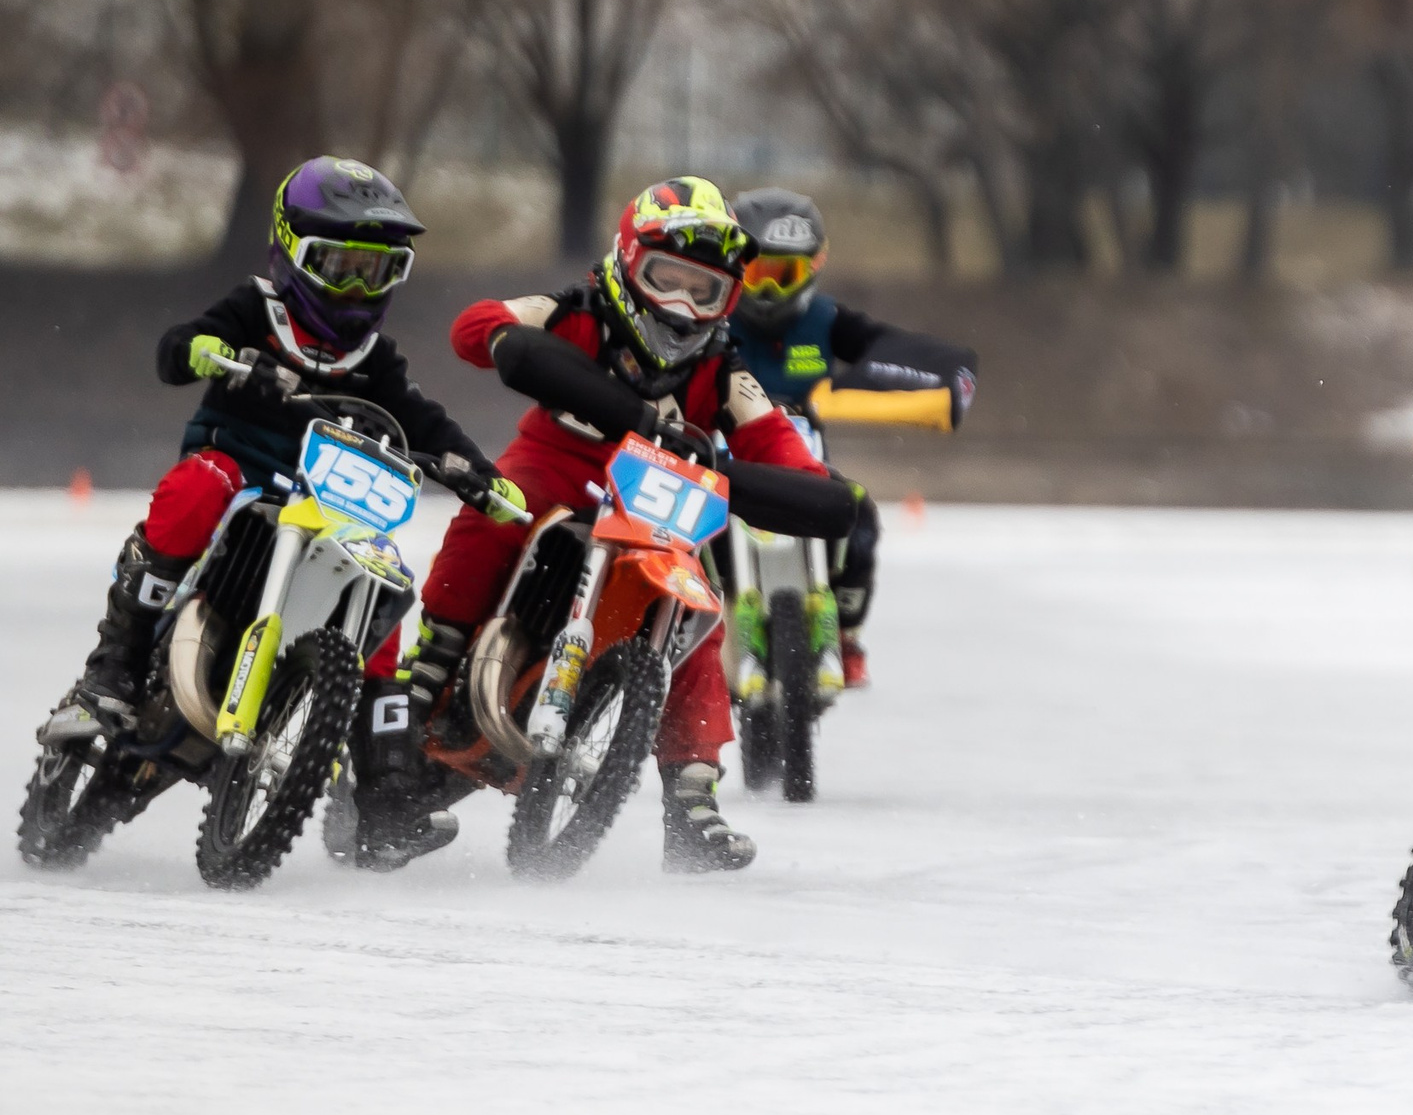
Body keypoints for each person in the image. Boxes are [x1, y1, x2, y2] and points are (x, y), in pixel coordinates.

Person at [365, 177, 857, 871]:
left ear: (728, 300)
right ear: (628, 262)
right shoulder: (578, 309)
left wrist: (786, 483)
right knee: (500, 509)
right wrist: (530, 349)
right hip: (558, 465)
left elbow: (783, 448)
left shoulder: (724, 368)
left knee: (694, 609)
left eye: (705, 291)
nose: (683, 305)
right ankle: (432, 663)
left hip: (659, 501)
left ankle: (691, 797)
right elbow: (476, 327)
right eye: (668, 280)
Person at [41, 159, 520, 849]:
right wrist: (208, 351)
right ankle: (112, 670)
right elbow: (175, 349)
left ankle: (382, 793)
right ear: (291, 250)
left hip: (326, 501)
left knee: (380, 588)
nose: (358, 287)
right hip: (239, 475)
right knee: (197, 487)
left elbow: (422, 417)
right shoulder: (254, 310)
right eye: (341, 265)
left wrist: (479, 472)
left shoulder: (373, 358)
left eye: (377, 270)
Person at [724, 189, 979, 687]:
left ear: (812, 269)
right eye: (757, 274)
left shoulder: (825, 320)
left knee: (860, 517)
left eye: (784, 276)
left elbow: (890, 347)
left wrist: (919, 384)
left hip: (802, 464)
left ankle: (845, 633)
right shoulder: (714, 309)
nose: (768, 292)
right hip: (721, 462)